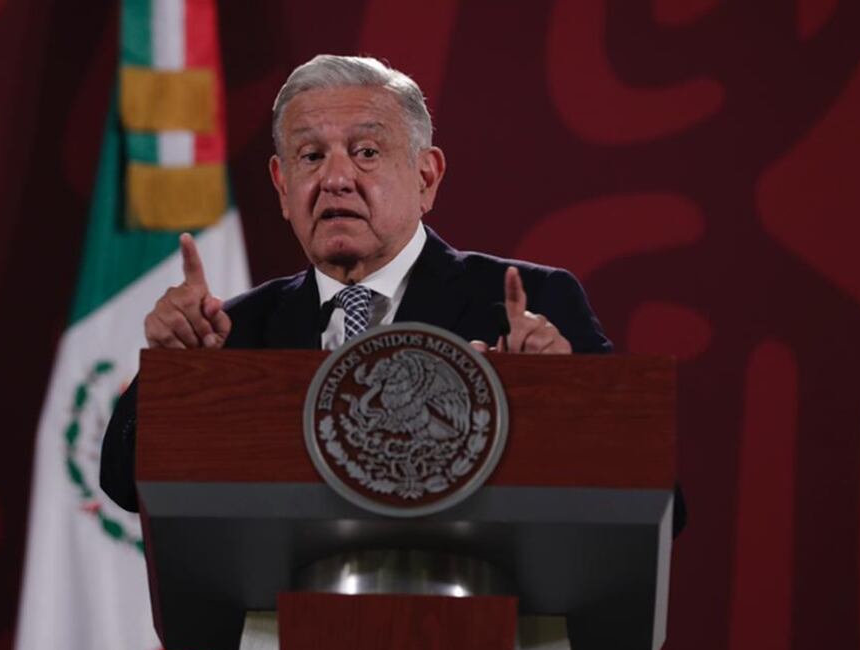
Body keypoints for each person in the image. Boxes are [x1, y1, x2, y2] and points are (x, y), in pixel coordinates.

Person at [101, 54, 612, 513]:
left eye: (366, 151)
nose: (335, 179)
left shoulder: (531, 305)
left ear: (426, 177)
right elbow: (126, 485)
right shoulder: (232, 333)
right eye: (311, 156)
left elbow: (638, 482)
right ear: (283, 186)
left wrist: (559, 398)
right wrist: (175, 375)